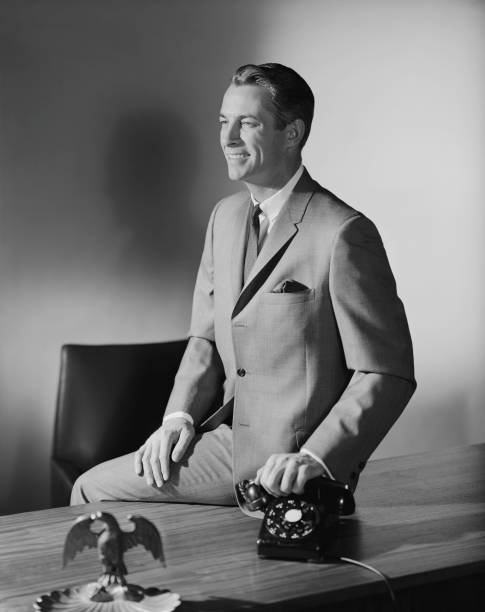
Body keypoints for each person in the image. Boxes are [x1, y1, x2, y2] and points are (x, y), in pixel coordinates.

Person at [71, 63, 415, 509]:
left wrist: (317, 457)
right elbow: (206, 337)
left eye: (247, 123)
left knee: (89, 490)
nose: (228, 138)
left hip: (287, 460)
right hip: (225, 440)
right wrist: (177, 418)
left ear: (292, 133)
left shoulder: (343, 232)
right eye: (222, 122)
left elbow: (385, 372)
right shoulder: (224, 218)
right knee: (93, 487)